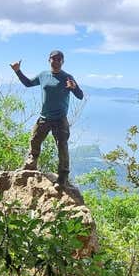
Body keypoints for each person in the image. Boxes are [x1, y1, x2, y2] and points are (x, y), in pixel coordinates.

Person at [11, 50, 83, 187]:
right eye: (53, 59)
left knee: (62, 147)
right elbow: (28, 83)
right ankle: (31, 165)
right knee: (34, 141)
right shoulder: (43, 75)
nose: (56, 61)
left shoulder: (67, 77)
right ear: (49, 60)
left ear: (63, 62)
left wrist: (73, 88)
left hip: (60, 119)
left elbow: (80, 96)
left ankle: (62, 178)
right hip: (44, 117)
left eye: (59, 59)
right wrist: (17, 71)